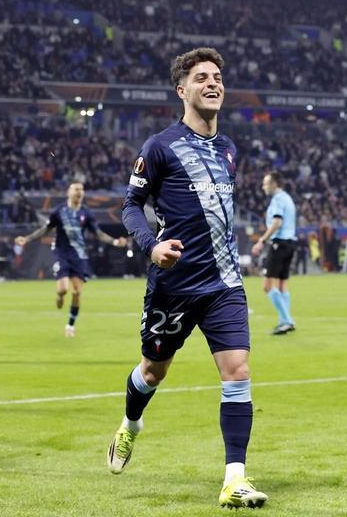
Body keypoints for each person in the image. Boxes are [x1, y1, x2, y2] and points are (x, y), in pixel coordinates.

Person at [107, 48, 266, 509]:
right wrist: (151, 246)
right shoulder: (160, 146)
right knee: (152, 371)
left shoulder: (230, 148)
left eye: (217, 77)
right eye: (201, 78)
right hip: (173, 286)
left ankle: (235, 478)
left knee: (237, 372)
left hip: (224, 284)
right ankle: (131, 425)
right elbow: (130, 206)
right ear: (182, 90)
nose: (212, 83)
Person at [15, 182, 127, 337]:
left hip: (79, 255)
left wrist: (114, 242)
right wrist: (27, 239)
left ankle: (70, 326)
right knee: (63, 289)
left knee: (77, 292)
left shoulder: (86, 213)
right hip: (62, 253)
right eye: (76, 189)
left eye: (81, 189)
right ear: (69, 192)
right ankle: (60, 295)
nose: (79, 192)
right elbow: (45, 229)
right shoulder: (59, 211)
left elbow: (98, 233)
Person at [251, 172, 298, 335]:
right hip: (290, 243)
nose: (263, 187)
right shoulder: (288, 198)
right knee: (282, 285)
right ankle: (285, 321)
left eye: (266, 183)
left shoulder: (277, 199)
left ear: (274, 184)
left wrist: (261, 240)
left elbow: (277, 222)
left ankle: (286, 321)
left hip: (279, 243)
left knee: (267, 286)